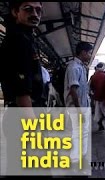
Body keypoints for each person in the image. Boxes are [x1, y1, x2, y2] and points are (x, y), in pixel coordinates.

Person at [0, 2, 47, 176]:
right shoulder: (18, 40)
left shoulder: (25, 37)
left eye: (38, 10)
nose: (35, 13)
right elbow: (22, 92)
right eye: (28, 9)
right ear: (15, 11)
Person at [64, 41, 92, 173]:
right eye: (89, 52)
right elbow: (73, 91)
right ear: (83, 52)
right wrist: (79, 110)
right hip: (77, 109)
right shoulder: (74, 67)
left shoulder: (80, 67)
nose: (90, 55)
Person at [89, 62, 105, 131]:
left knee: (98, 112)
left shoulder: (93, 76)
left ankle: (100, 123)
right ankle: (100, 123)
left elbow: (90, 87)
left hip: (96, 98)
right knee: (104, 112)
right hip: (104, 97)